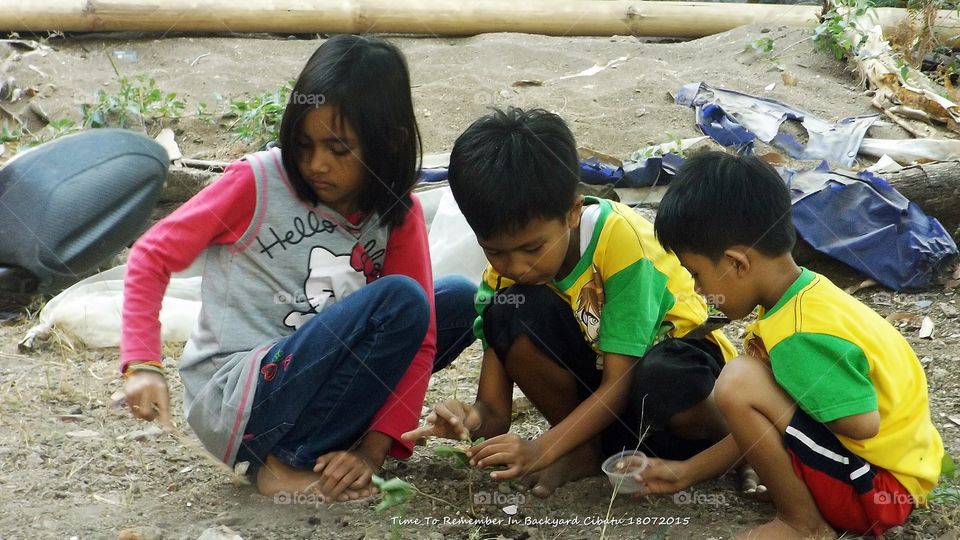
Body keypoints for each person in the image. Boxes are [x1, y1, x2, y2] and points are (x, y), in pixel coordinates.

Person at [120, 35, 477, 503]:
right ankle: (284, 463)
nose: (315, 164)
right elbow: (152, 255)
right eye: (305, 143)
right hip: (240, 395)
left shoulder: (397, 213)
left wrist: (371, 454)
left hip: (317, 383)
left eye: (339, 149)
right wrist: (142, 363)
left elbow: (423, 338)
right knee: (403, 300)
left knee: (451, 301)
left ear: (386, 143)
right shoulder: (257, 183)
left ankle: (337, 447)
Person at [403, 107, 737, 498]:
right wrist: (467, 420)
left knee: (662, 377)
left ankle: (732, 448)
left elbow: (621, 381)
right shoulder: (503, 280)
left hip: (675, 389)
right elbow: (494, 412)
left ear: (573, 213)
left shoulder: (620, 241)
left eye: (532, 248)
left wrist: (542, 448)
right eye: (495, 251)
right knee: (509, 314)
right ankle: (583, 450)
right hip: (609, 417)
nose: (518, 266)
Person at [647, 151, 944, 538]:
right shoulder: (811, 297)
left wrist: (795, 401)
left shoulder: (797, 335)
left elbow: (862, 423)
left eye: (696, 274)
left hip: (876, 493)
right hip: (896, 476)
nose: (696, 289)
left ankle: (802, 524)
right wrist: (685, 473)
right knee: (748, 385)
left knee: (738, 381)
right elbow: (767, 424)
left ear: (738, 262)